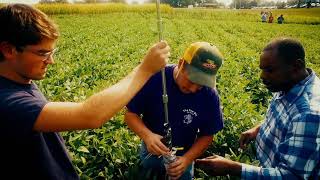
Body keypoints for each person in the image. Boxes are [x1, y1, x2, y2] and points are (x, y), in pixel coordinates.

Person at [0, 3, 170, 179]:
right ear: (9, 50)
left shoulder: (21, 80)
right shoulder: (7, 101)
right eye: (43, 53)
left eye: (52, 52)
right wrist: (144, 70)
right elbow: (89, 115)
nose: (51, 61)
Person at [196, 38, 320, 179]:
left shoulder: (309, 115)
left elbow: (291, 176)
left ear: (296, 66)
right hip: (264, 166)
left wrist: (233, 167)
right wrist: (258, 129)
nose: (262, 76)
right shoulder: (289, 84)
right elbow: (285, 117)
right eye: (262, 69)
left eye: (270, 70)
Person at [125, 42, 224, 180]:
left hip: (183, 157)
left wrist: (187, 160)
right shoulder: (155, 78)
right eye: (192, 80)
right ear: (181, 63)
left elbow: (207, 135)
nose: (194, 89)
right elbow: (130, 114)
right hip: (151, 153)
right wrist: (147, 136)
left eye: (201, 84)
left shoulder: (210, 95)